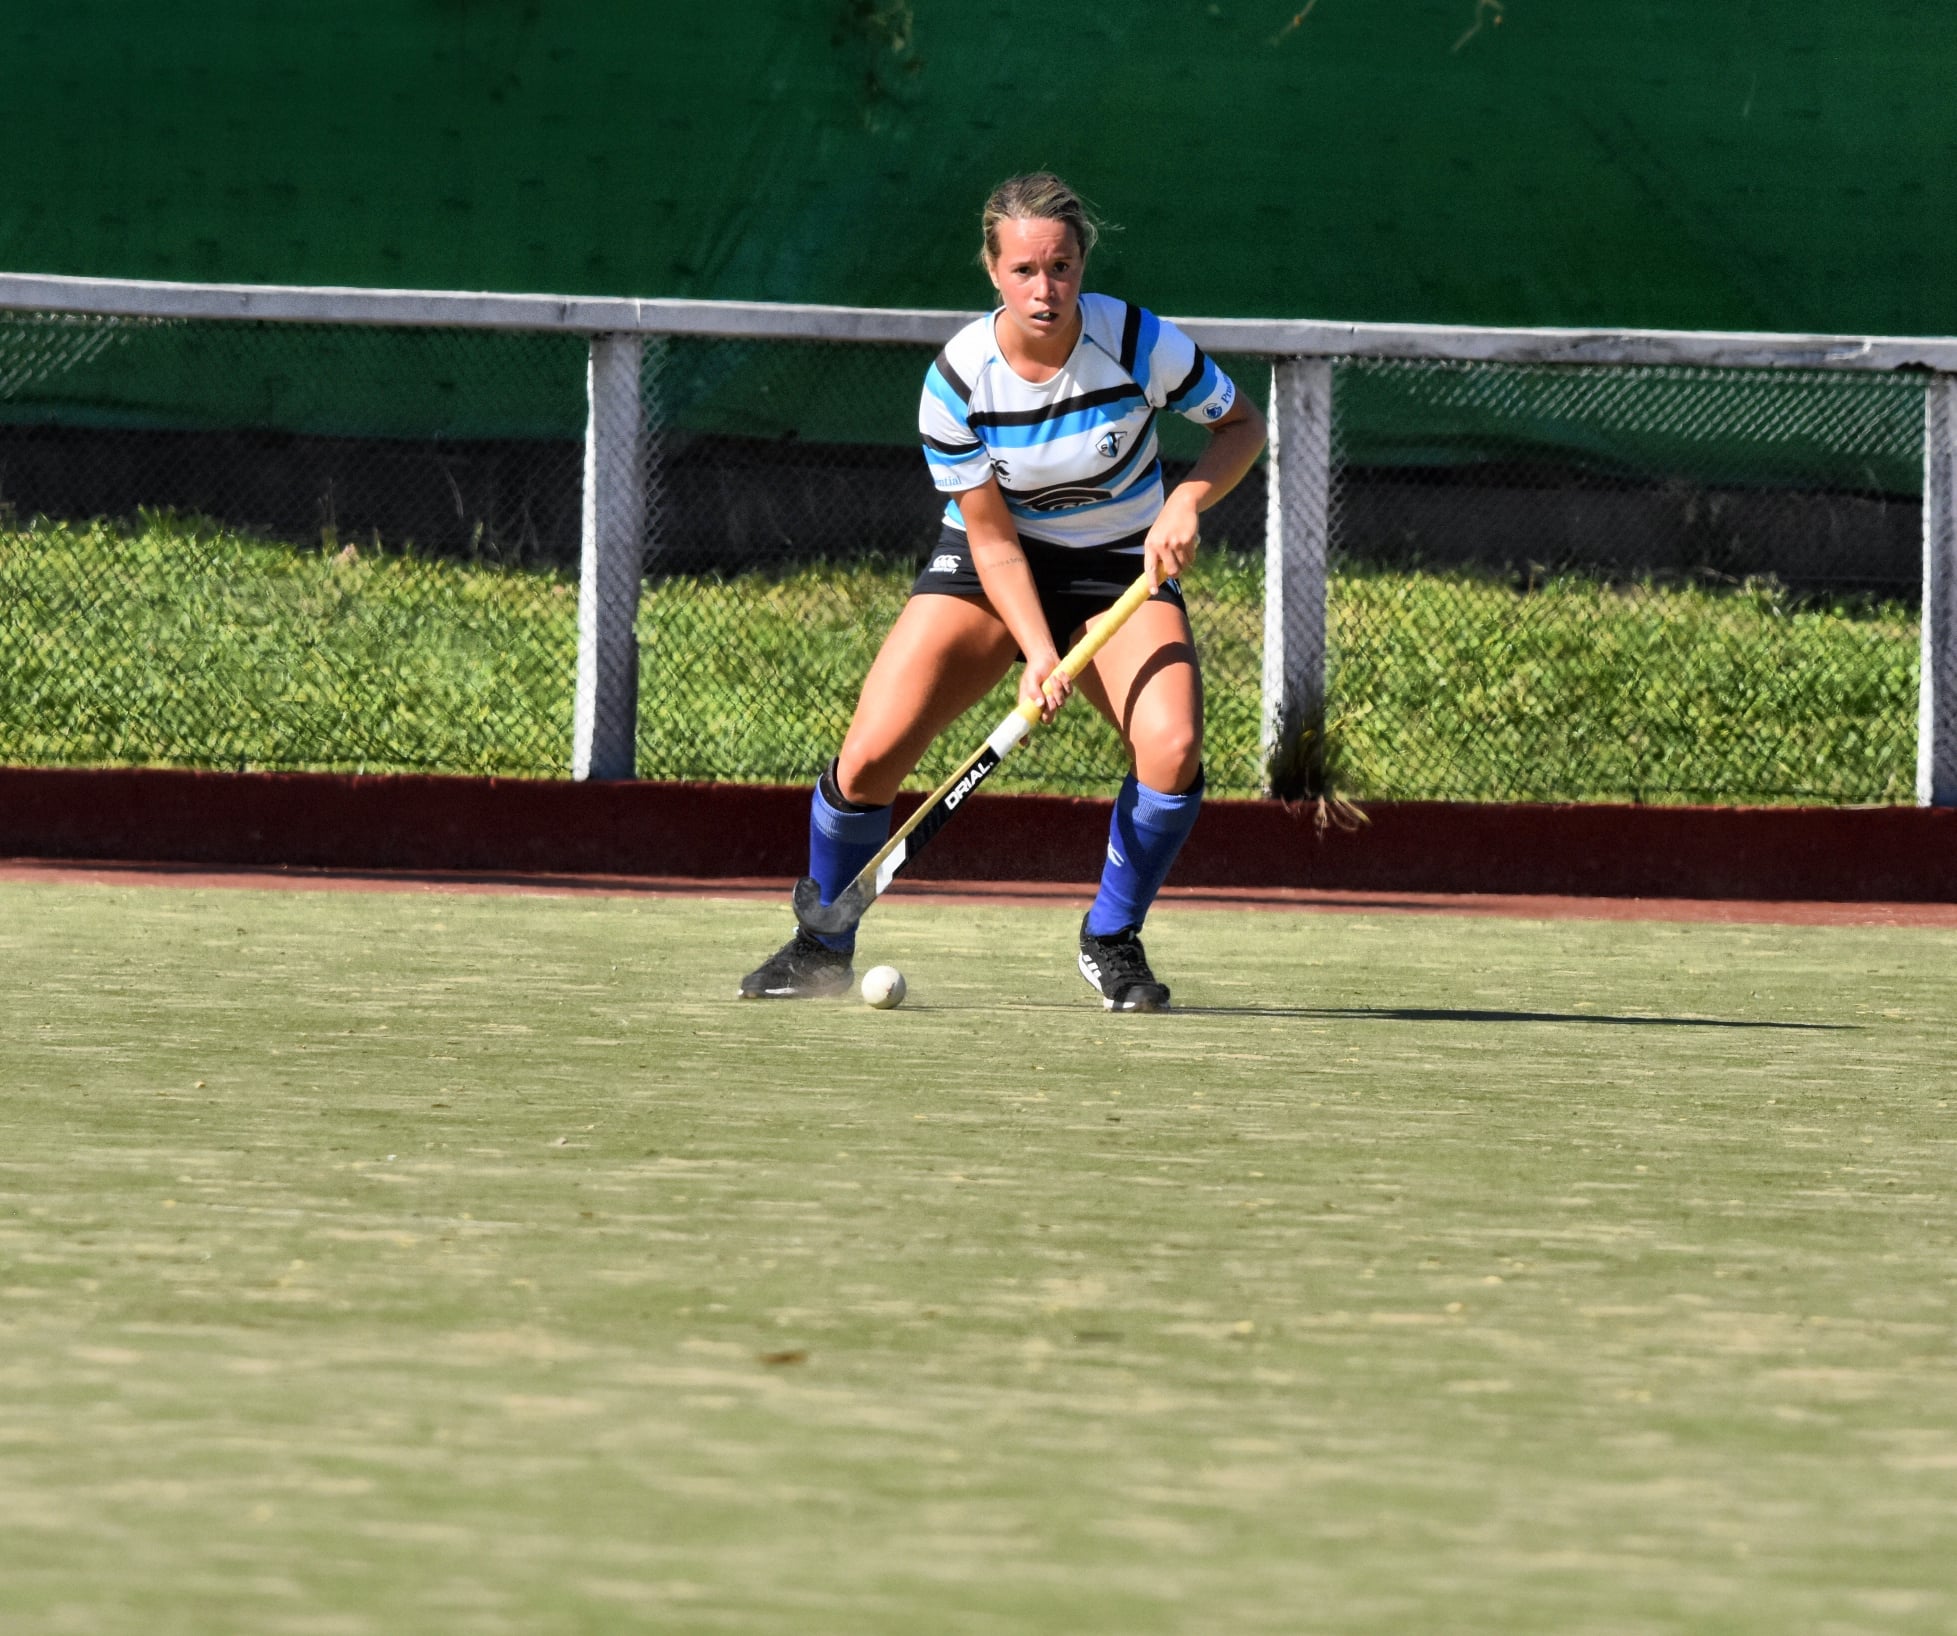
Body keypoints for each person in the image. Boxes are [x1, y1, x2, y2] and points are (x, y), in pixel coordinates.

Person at [739, 172, 1266, 1010]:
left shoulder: (1138, 342)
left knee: (1170, 749)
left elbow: (1241, 426)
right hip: (991, 566)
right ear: (992, 270)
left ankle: (1111, 940)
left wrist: (1184, 501)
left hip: (1118, 567)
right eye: (1023, 270)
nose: (1043, 289)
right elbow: (991, 540)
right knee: (870, 754)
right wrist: (1039, 652)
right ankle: (821, 945)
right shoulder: (957, 381)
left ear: (1082, 263)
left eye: (1059, 267)